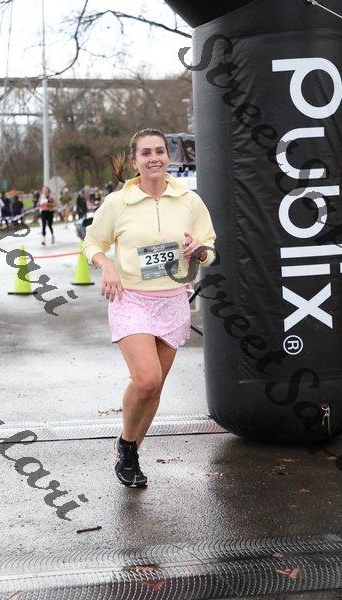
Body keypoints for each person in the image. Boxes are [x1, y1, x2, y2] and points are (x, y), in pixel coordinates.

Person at [81, 128, 216, 488]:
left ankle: (130, 453)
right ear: (135, 161)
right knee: (147, 379)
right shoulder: (118, 202)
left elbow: (210, 249)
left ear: (167, 156)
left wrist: (199, 249)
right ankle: (126, 443)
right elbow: (92, 243)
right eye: (146, 153)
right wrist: (107, 267)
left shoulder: (188, 200)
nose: (154, 158)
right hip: (131, 299)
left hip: (173, 301)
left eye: (159, 151)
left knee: (154, 390)